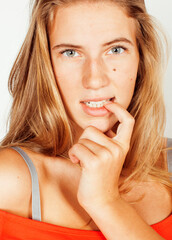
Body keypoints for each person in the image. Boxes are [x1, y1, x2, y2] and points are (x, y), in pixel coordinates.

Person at [0, 0, 171, 239]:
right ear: (45, 64)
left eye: (115, 49)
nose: (94, 79)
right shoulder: (7, 180)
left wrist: (105, 202)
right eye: (70, 53)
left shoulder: (169, 162)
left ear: (141, 57)